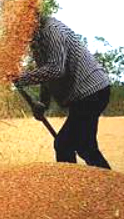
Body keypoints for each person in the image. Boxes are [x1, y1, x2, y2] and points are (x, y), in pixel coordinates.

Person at [14, 15, 112, 168]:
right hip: (84, 96)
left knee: (64, 144)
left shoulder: (51, 31)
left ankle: (69, 188)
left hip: (91, 92)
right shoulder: (37, 39)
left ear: (30, 18)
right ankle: (109, 187)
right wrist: (43, 104)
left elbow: (55, 69)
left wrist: (21, 78)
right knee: (86, 147)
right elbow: (46, 75)